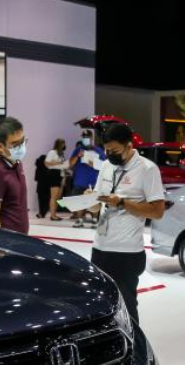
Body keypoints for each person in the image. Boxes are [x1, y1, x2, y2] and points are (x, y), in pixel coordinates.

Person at [91, 123, 166, 323]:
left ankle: (136, 352)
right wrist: (88, 201)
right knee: (101, 305)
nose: (109, 154)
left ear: (129, 146)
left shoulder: (147, 169)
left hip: (127, 252)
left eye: (114, 150)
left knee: (127, 309)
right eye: (107, 150)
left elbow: (158, 212)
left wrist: (123, 202)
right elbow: (97, 206)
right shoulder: (106, 165)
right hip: (100, 247)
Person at [69, 138, 104, 227]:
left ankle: (95, 220)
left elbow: (104, 165)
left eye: (87, 137)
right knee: (79, 201)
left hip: (93, 180)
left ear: (91, 139)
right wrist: (78, 156)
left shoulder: (98, 150)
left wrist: (93, 164)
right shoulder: (78, 150)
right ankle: (80, 220)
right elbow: (71, 164)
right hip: (79, 180)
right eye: (84, 136)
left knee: (94, 201)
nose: (86, 139)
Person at [44, 138, 68, 221]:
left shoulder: (61, 154)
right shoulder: (52, 152)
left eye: (64, 143)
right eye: (62, 143)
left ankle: (54, 214)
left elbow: (63, 166)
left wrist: (64, 177)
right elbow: (46, 163)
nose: (63, 145)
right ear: (57, 144)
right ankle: (52, 215)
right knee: (54, 196)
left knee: (58, 197)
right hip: (53, 173)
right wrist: (58, 163)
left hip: (60, 174)